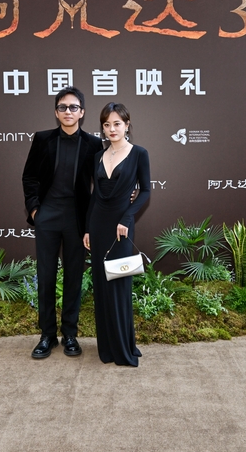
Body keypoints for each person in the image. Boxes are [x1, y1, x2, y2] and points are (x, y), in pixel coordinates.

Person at [22, 87, 103, 359]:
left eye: (73, 107)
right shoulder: (42, 139)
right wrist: (35, 210)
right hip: (47, 215)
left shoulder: (93, 144)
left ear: (82, 112)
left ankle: (70, 334)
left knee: (73, 276)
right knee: (45, 276)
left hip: (76, 219)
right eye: (62, 107)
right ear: (56, 112)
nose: (68, 111)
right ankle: (47, 335)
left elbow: (101, 184)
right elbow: (29, 176)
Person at [84, 102, 151, 366]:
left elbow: (145, 191)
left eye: (117, 124)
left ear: (127, 125)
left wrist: (127, 217)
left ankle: (124, 347)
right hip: (98, 225)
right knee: (102, 284)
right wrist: (87, 228)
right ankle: (108, 347)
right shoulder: (98, 157)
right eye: (106, 124)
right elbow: (95, 196)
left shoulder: (139, 154)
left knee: (119, 283)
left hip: (121, 226)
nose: (112, 129)